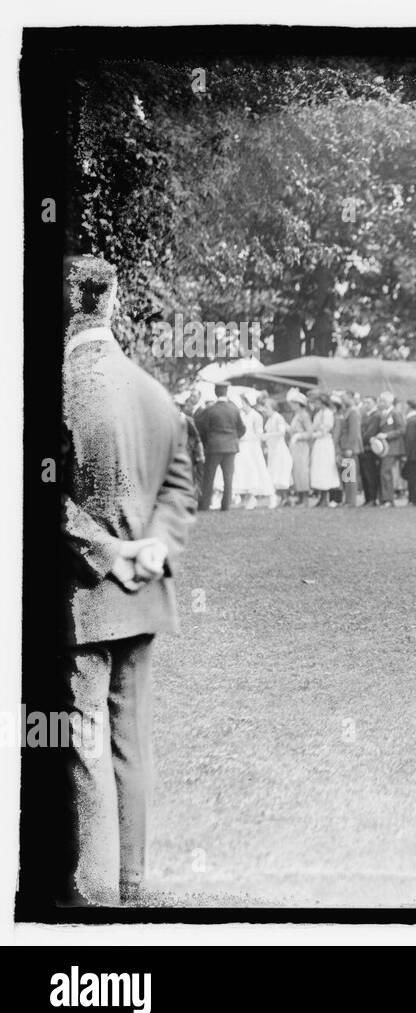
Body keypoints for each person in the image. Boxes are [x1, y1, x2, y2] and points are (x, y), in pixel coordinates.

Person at [60, 255, 196, 904]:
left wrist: (105, 550)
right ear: (111, 303)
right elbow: (180, 484)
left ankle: (94, 892)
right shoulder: (151, 389)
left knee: (83, 744)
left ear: (68, 305)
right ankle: (131, 882)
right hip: (141, 597)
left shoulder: (54, 386)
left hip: (82, 598)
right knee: (130, 743)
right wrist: (153, 549)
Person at [194, 381, 244, 511]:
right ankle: (226, 505)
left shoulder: (210, 409)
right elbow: (242, 428)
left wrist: (207, 440)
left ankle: (205, 504)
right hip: (231, 447)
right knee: (228, 478)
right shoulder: (234, 409)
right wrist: (234, 437)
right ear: (226, 392)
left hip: (214, 446)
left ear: (216, 392)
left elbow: (200, 426)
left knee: (209, 477)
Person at [230, 392, 275, 508]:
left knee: (256, 470)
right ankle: (246, 497)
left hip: (252, 447)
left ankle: (264, 496)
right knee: (242, 471)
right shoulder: (240, 414)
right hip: (242, 446)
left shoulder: (256, 416)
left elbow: (259, 434)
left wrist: (249, 438)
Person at [258, 395, 293, 507]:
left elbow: (281, 432)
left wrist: (267, 436)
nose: (265, 410)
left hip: (279, 449)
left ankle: (281, 498)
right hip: (272, 449)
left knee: (278, 473)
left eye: (267, 407)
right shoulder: (270, 419)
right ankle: (282, 498)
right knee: (274, 473)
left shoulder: (278, 417)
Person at [372, 391, 405, 506]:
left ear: (389, 402)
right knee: (384, 473)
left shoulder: (395, 413)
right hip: (384, 448)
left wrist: (386, 435)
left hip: (392, 448)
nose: (380, 403)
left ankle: (388, 499)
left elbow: (401, 430)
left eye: (382, 401)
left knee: (385, 472)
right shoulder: (383, 414)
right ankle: (385, 498)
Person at [308, 391, 340, 506]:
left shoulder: (328, 414)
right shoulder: (318, 414)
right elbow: (313, 427)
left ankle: (330, 497)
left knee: (327, 468)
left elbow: (325, 429)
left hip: (326, 442)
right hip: (319, 443)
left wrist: (314, 434)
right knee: (318, 468)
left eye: (317, 402)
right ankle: (322, 495)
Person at [334, 391, 362, 507]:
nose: (342, 399)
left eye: (344, 397)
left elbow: (353, 431)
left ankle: (351, 501)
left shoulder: (353, 412)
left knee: (350, 475)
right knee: (346, 474)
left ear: (350, 398)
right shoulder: (346, 411)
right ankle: (348, 500)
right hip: (344, 446)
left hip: (349, 447)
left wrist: (350, 446)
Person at [287, 389, 313, 506]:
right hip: (295, 446)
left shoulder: (304, 415)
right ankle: (300, 496)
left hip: (302, 446)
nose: (292, 405)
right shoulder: (296, 415)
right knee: (296, 471)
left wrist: (299, 435)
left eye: (294, 403)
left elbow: (309, 433)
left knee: (302, 471)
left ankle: (305, 498)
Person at [360, 396, 383, 505]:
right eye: (364, 402)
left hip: (370, 449)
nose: (366, 404)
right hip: (364, 448)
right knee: (364, 475)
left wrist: (360, 439)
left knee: (371, 475)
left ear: (375, 403)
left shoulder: (376, 415)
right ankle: (368, 498)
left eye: (368, 402)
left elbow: (370, 432)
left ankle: (373, 498)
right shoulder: (365, 415)